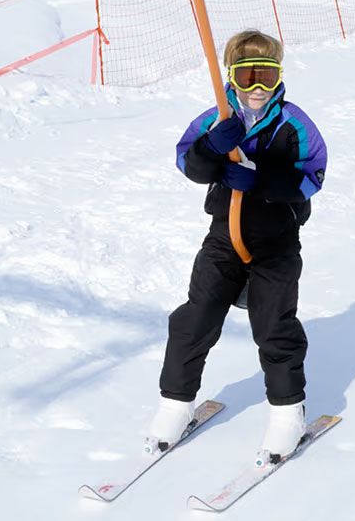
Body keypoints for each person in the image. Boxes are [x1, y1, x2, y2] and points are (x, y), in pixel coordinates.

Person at [145, 30, 327, 461]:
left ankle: (287, 414)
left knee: (274, 327)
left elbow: (311, 177)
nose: (258, 89)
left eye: (267, 76)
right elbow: (187, 163)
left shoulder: (294, 124)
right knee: (195, 318)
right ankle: (175, 404)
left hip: (275, 243)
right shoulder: (217, 118)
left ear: (280, 76)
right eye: (248, 78)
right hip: (223, 240)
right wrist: (212, 147)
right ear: (232, 77)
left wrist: (261, 180)